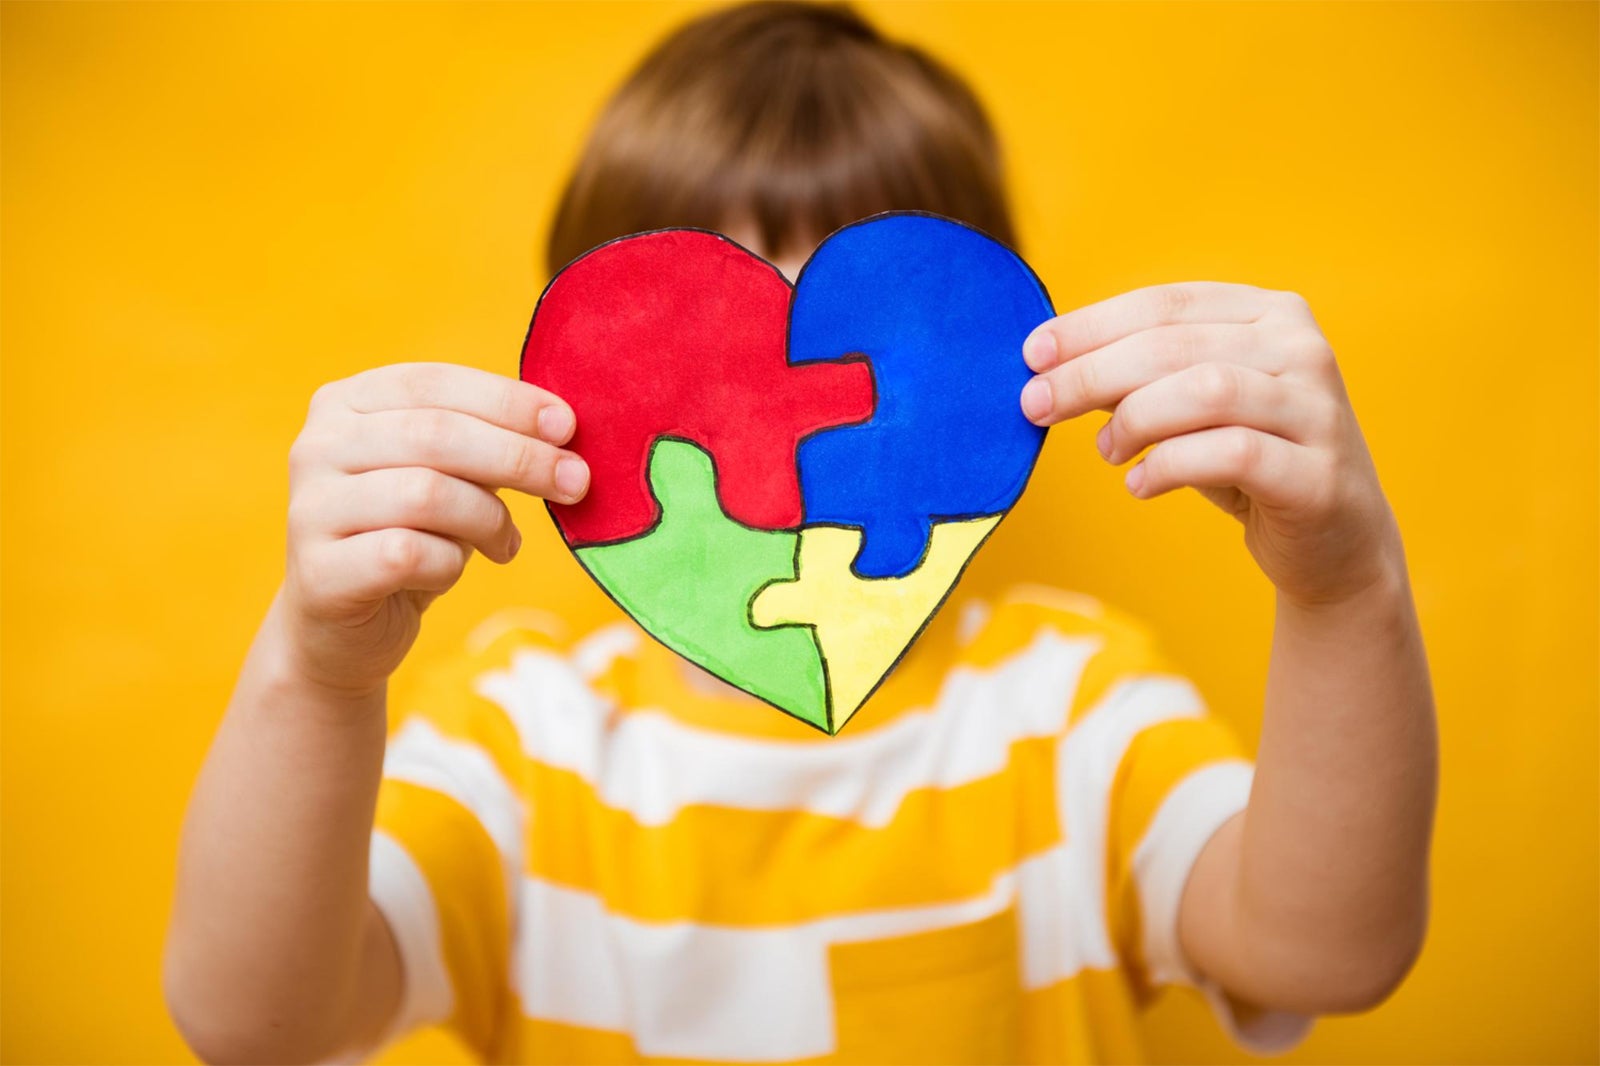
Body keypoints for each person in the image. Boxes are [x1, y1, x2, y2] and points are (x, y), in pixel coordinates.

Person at [163, 3, 1438, 1063]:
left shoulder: (1073, 705)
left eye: (862, 358)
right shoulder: (518, 734)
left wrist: (1342, 591)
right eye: (697, 365)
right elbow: (251, 1020)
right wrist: (315, 674)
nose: (783, 430)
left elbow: (1324, 952)